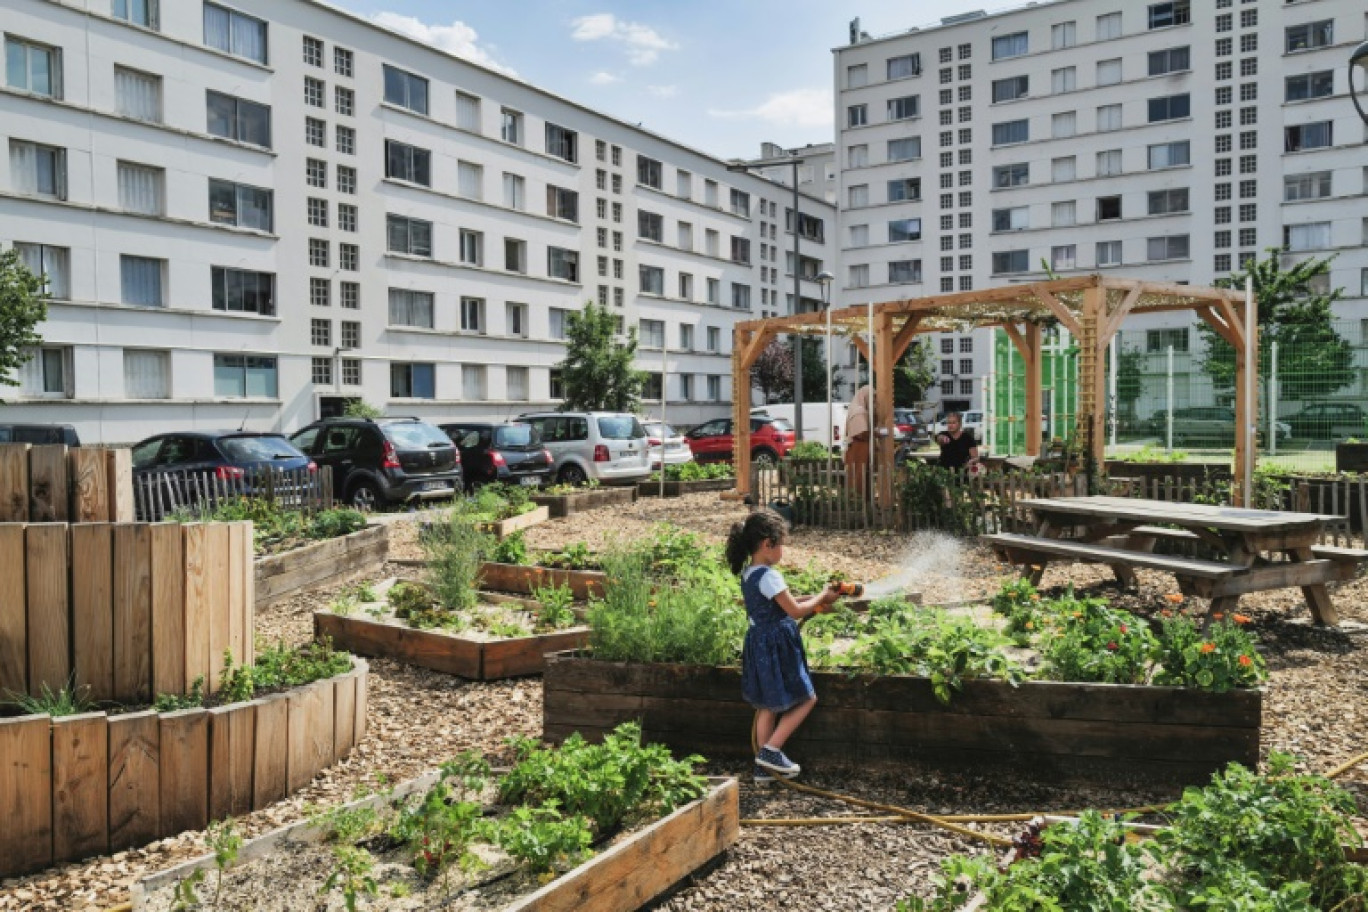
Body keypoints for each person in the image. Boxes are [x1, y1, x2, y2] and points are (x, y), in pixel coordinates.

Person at [725, 509, 840, 783]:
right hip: (778, 645)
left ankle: (764, 769)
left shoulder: (750, 573)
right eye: (782, 544)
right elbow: (795, 611)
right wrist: (822, 596)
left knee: (767, 705)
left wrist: (815, 598)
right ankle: (772, 750)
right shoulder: (770, 575)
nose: (783, 551)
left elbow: (782, 602)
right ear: (768, 544)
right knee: (807, 697)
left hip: (759, 644)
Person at [844, 384, 871, 495]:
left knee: (855, 476)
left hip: (854, 449)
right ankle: (858, 501)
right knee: (858, 476)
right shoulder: (859, 411)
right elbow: (861, 433)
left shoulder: (854, 407)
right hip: (858, 449)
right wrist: (875, 434)